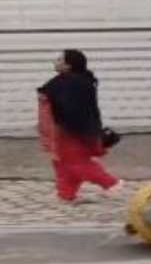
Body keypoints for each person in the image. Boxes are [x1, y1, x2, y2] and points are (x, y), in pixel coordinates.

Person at [36, 49, 124, 203]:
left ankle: (111, 183)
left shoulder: (74, 82)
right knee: (61, 162)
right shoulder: (67, 80)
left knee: (75, 161)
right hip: (63, 128)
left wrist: (67, 126)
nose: (55, 62)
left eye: (59, 59)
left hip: (71, 129)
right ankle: (66, 193)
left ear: (68, 65)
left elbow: (73, 108)